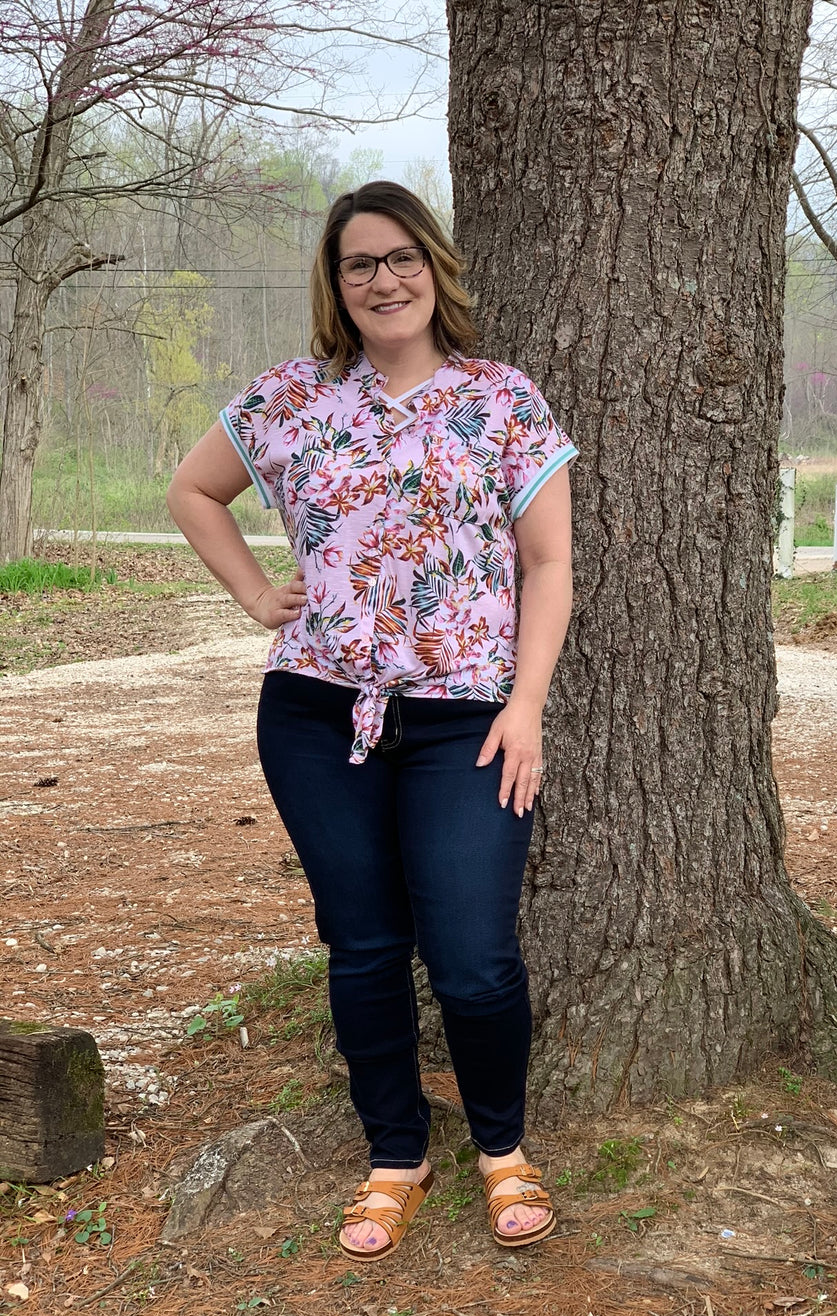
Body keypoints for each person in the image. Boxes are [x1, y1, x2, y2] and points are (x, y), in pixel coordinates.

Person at [167, 181, 575, 1261]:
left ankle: (502, 1148)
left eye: (401, 258)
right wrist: (260, 598)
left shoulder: (500, 398)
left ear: (433, 267)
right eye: (360, 265)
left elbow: (547, 563)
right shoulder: (293, 396)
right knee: (361, 946)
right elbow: (192, 492)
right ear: (335, 284)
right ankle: (395, 1153)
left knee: (474, 956)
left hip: (467, 721)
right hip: (313, 712)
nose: (383, 280)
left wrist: (526, 705)